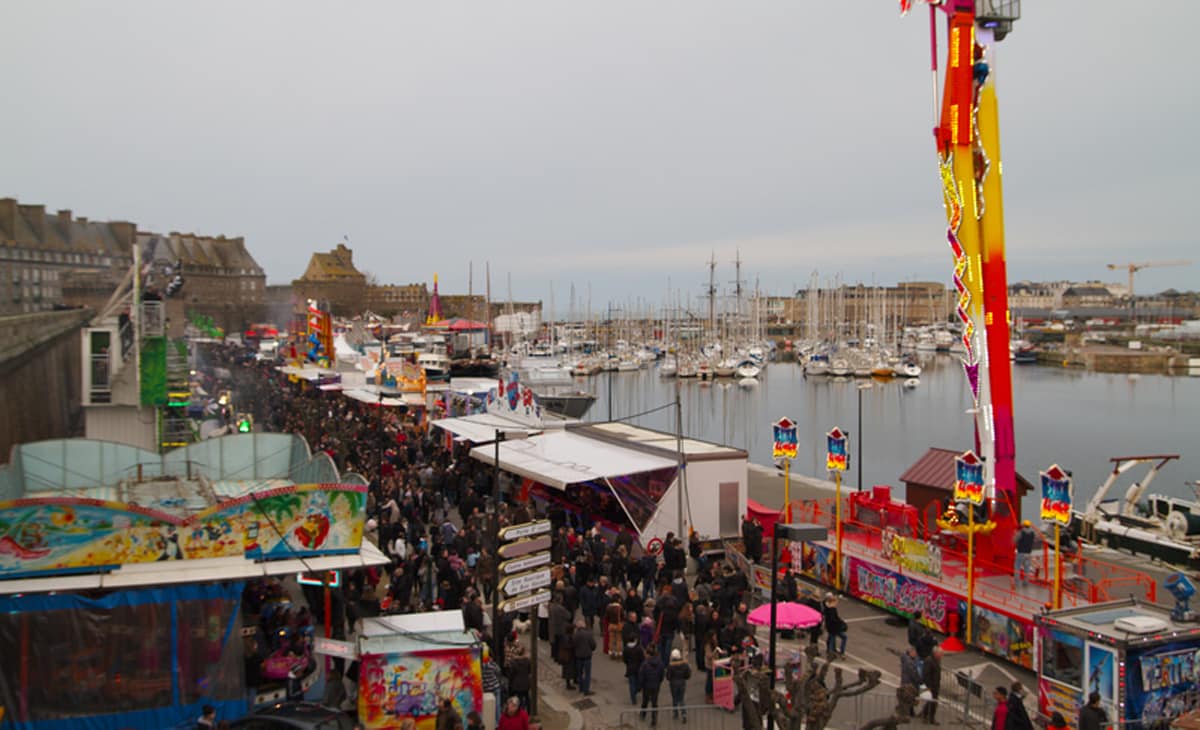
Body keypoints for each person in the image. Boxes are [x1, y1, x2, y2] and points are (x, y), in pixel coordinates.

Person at [639, 646, 666, 727]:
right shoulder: (660, 663)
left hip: (646, 686)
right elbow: (662, 675)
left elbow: (641, 676)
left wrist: (640, 686)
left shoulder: (644, 664)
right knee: (654, 703)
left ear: (648, 654)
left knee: (645, 701)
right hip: (656, 686)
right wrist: (658, 682)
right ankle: (654, 720)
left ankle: (643, 714)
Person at [666, 648, 693, 723]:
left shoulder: (670, 665)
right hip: (682, 683)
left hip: (673, 684)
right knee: (681, 699)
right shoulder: (684, 664)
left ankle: (675, 713)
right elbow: (688, 674)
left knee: (674, 699)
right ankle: (684, 714)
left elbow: (668, 676)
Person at [572, 618, 597, 695]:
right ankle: (586, 690)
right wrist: (591, 649)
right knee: (587, 674)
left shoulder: (575, 635)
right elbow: (593, 645)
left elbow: (573, 645)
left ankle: (581, 688)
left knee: (579, 673)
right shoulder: (588, 634)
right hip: (587, 656)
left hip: (579, 656)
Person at [919, 647, 943, 724]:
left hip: (935, 685)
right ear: (935, 653)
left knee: (932, 702)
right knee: (931, 702)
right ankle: (929, 717)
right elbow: (926, 674)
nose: (941, 655)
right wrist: (929, 686)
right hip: (930, 686)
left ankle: (927, 716)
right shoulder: (929, 661)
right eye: (940, 654)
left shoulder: (937, 661)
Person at [1014, 521, 1040, 585]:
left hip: (1020, 553)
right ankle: (1026, 582)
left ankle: (1017, 582)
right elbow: (1037, 539)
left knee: (1017, 567)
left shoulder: (1020, 533)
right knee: (1027, 568)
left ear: (1023, 525)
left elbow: (1014, 540)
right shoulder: (1032, 533)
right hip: (1028, 553)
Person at [623, 638, 645, 705]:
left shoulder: (626, 648)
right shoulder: (638, 648)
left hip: (630, 668)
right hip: (638, 668)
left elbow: (624, 659)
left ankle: (633, 699)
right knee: (638, 683)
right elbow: (642, 658)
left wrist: (628, 663)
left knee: (632, 684)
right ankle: (635, 691)